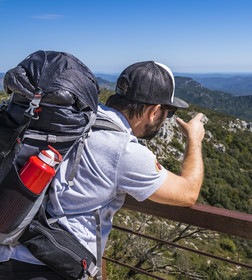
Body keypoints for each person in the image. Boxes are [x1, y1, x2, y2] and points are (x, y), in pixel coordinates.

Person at [0, 61, 205, 279]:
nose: (166, 119)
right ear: (154, 112)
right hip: (50, 267)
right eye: (169, 112)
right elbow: (188, 193)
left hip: (7, 251)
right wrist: (195, 139)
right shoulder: (124, 149)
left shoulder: (76, 117)